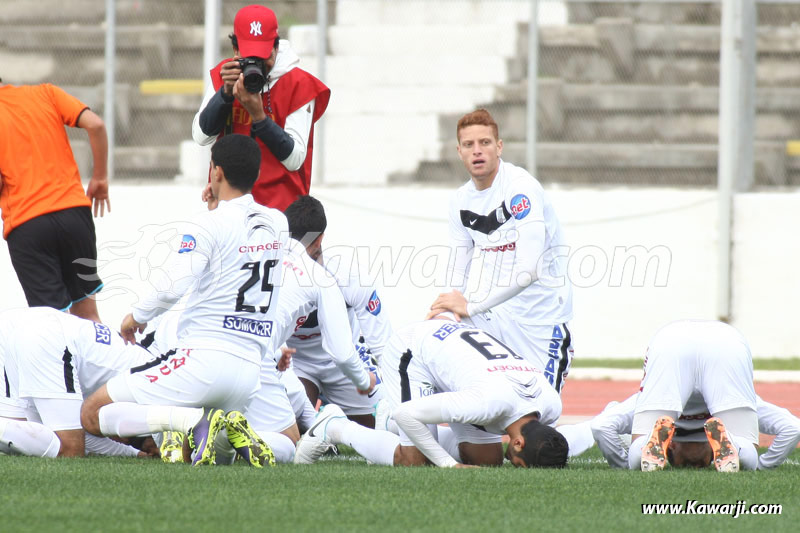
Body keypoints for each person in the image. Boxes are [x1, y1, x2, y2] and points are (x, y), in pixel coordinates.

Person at [80, 134, 289, 468]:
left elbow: (174, 285)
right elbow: (240, 243)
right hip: (250, 373)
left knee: (93, 413)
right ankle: (212, 431)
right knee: (204, 457)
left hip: (203, 361)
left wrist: (136, 316)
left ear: (215, 172)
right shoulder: (280, 223)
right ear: (257, 174)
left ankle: (185, 422)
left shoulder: (208, 223)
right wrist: (217, 208)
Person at [293, 315, 568, 468]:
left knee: (487, 463)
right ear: (518, 443)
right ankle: (335, 425)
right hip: (414, 352)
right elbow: (407, 414)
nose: (518, 469)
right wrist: (450, 466)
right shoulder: (486, 403)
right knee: (413, 459)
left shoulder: (551, 404)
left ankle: (388, 423)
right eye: (520, 466)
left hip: (464, 368)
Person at [428, 108, 574, 393]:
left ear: (499, 147)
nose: (477, 151)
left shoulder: (521, 189)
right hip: (496, 318)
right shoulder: (460, 200)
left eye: (484, 142)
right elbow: (458, 271)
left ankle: (602, 428)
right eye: (469, 145)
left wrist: (472, 306)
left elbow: (529, 270)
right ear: (459, 152)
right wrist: (445, 308)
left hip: (543, 323)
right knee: (436, 330)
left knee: (537, 424)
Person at [192, 4, 330, 212]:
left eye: (264, 55)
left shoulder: (298, 84)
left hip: (282, 213)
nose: (257, 64)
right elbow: (201, 137)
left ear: (276, 47)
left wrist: (259, 117)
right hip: (231, 210)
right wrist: (225, 94)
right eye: (250, 56)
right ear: (235, 50)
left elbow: (295, 159)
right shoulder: (224, 76)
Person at [0, 80, 110, 322]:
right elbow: (96, 124)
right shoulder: (45, 92)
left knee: (52, 324)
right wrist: (100, 177)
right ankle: (110, 360)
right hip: (75, 215)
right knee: (88, 315)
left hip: (27, 225)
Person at [283, 196, 391, 428]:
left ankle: (328, 421)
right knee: (288, 426)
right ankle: (319, 421)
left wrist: (395, 396)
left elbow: (383, 348)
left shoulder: (349, 278)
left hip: (347, 365)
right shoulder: (277, 275)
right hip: (297, 364)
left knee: (388, 426)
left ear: (319, 240)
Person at [0, 307, 154, 458]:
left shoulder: (150, 369)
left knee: (26, 436)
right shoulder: (148, 391)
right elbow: (81, 439)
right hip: (46, 336)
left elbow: (85, 435)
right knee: (69, 448)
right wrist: (138, 454)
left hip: (18, 325)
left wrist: (135, 452)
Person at [630, 320, 760, 472]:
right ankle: (734, 443)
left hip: (669, 341)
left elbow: (603, 426)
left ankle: (650, 441)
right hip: (728, 342)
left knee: (639, 448)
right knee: (747, 448)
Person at [592, 392, 800, 470]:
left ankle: (646, 446)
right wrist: (762, 467)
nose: (697, 468)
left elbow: (601, 427)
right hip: (729, 397)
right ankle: (736, 446)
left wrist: (623, 465)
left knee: (632, 444)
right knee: (746, 456)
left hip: (661, 398)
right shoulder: (741, 399)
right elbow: (793, 428)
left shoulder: (650, 400)